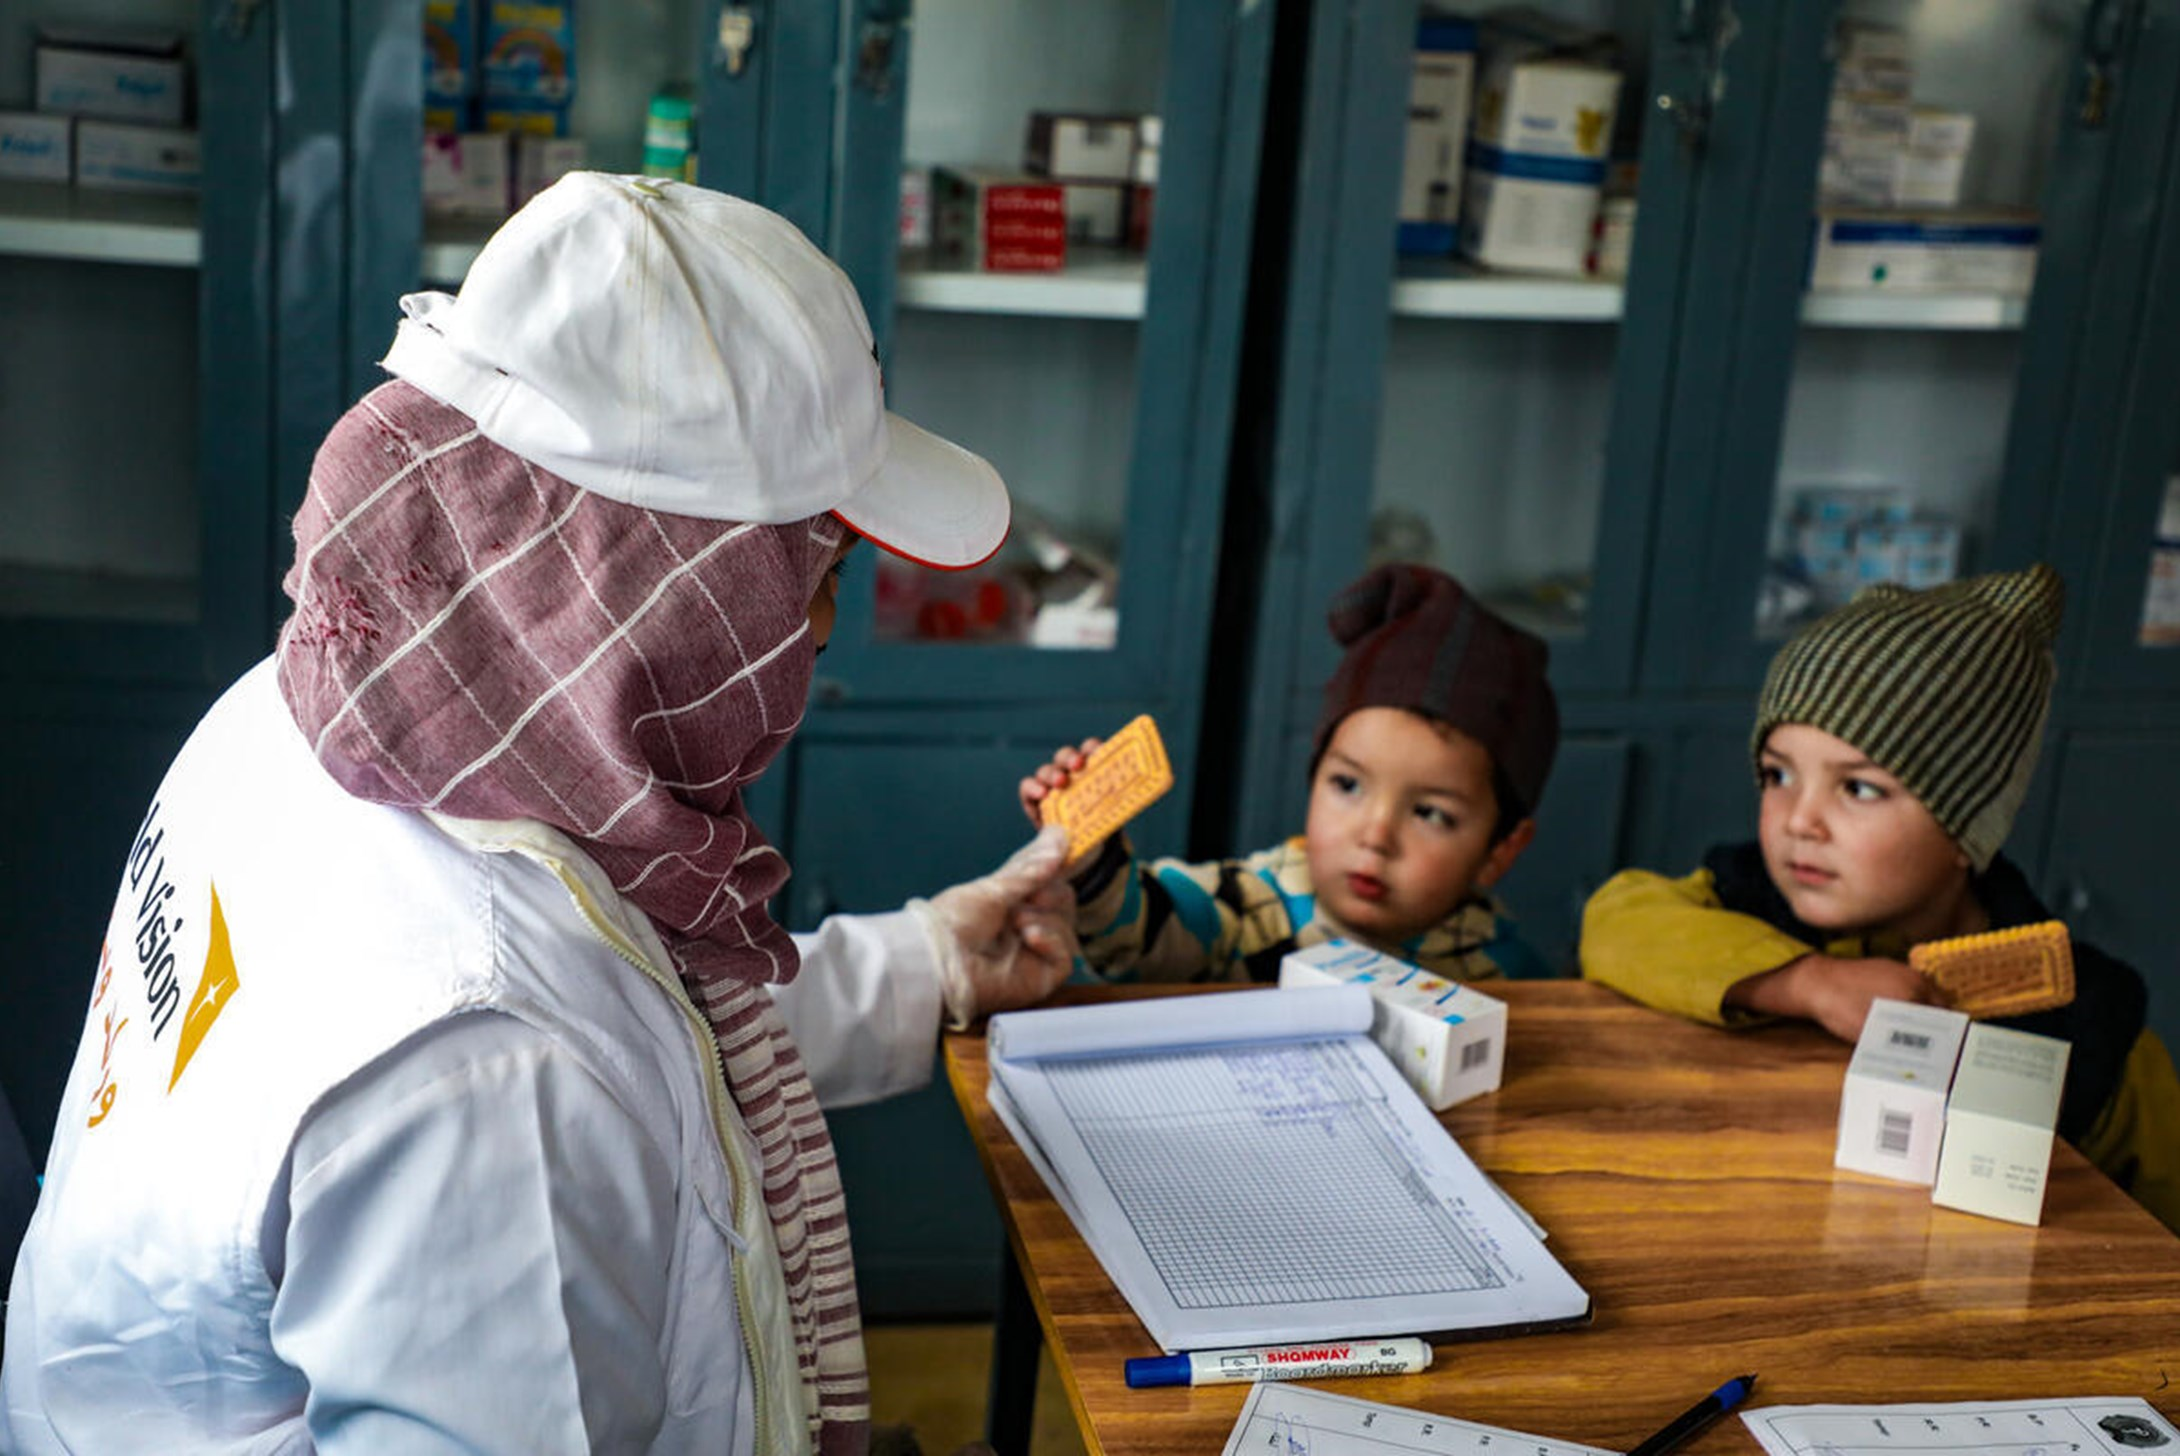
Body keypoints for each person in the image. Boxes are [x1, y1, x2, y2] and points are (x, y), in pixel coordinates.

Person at [1, 174, 1080, 1454]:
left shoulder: (314, 715)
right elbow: (554, 1041)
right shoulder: (492, 1072)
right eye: (816, 571)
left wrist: (932, 959)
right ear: (670, 600)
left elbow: (630, 1021)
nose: (823, 630)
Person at [1581, 563, 2180, 1232]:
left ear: (1967, 827)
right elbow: (1616, 920)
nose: (1799, 820)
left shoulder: (2091, 1023)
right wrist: (1807, 983)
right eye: (1778, 774)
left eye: (1859, 788)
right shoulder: (1738, 899)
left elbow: (2154, 1229)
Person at [1020, 562, 1560, 983]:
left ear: (1501, 850)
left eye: (1430, 814)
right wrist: (1092, 862)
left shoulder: (1509, 975)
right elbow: (1140, 938)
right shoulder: (1251, 909)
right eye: (1348, 785)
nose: (1375, 837)